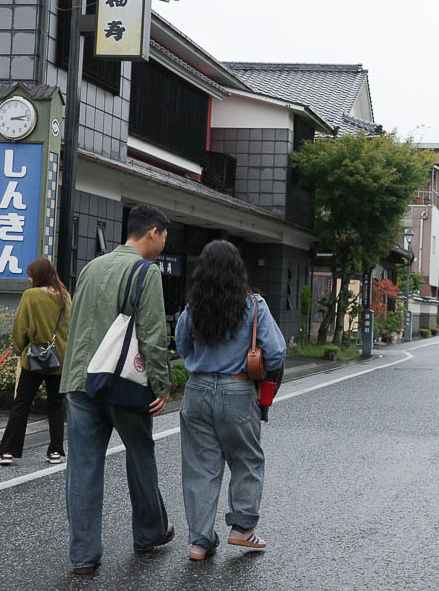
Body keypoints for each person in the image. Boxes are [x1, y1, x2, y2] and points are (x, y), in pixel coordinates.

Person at [59, 205, 174, 575]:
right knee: (140, 455)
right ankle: (149, 532)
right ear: (153, 233)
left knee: (82, 468)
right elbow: (154, 336)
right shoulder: (147, 272)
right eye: (164, 237)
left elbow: (77, 323)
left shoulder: (91, 267)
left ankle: (83, 555)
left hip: (80, 381)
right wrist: (163, 385)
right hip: (122, 384)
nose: (163, 244)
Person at [175, 240, 286, 561]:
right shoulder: (254, 304)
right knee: (246, 460)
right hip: (237, 391)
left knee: (199, 468)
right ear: (238, 270)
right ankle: (241, 529)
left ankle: (199, 542)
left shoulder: (194, 306)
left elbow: (182, 347)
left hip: (196, 392)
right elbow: (277, 352)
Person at [0, 258, 71, 466]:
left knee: (21, 403)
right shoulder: (65, 296)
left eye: (31, 275)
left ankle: (8, 451)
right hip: (60, 359)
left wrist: (21, 346)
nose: (29, 279)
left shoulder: (31, 296)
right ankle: (55, 451)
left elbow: (20, 327)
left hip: (36, 358)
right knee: (56, 406)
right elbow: (69, 328)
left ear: (38, 275)